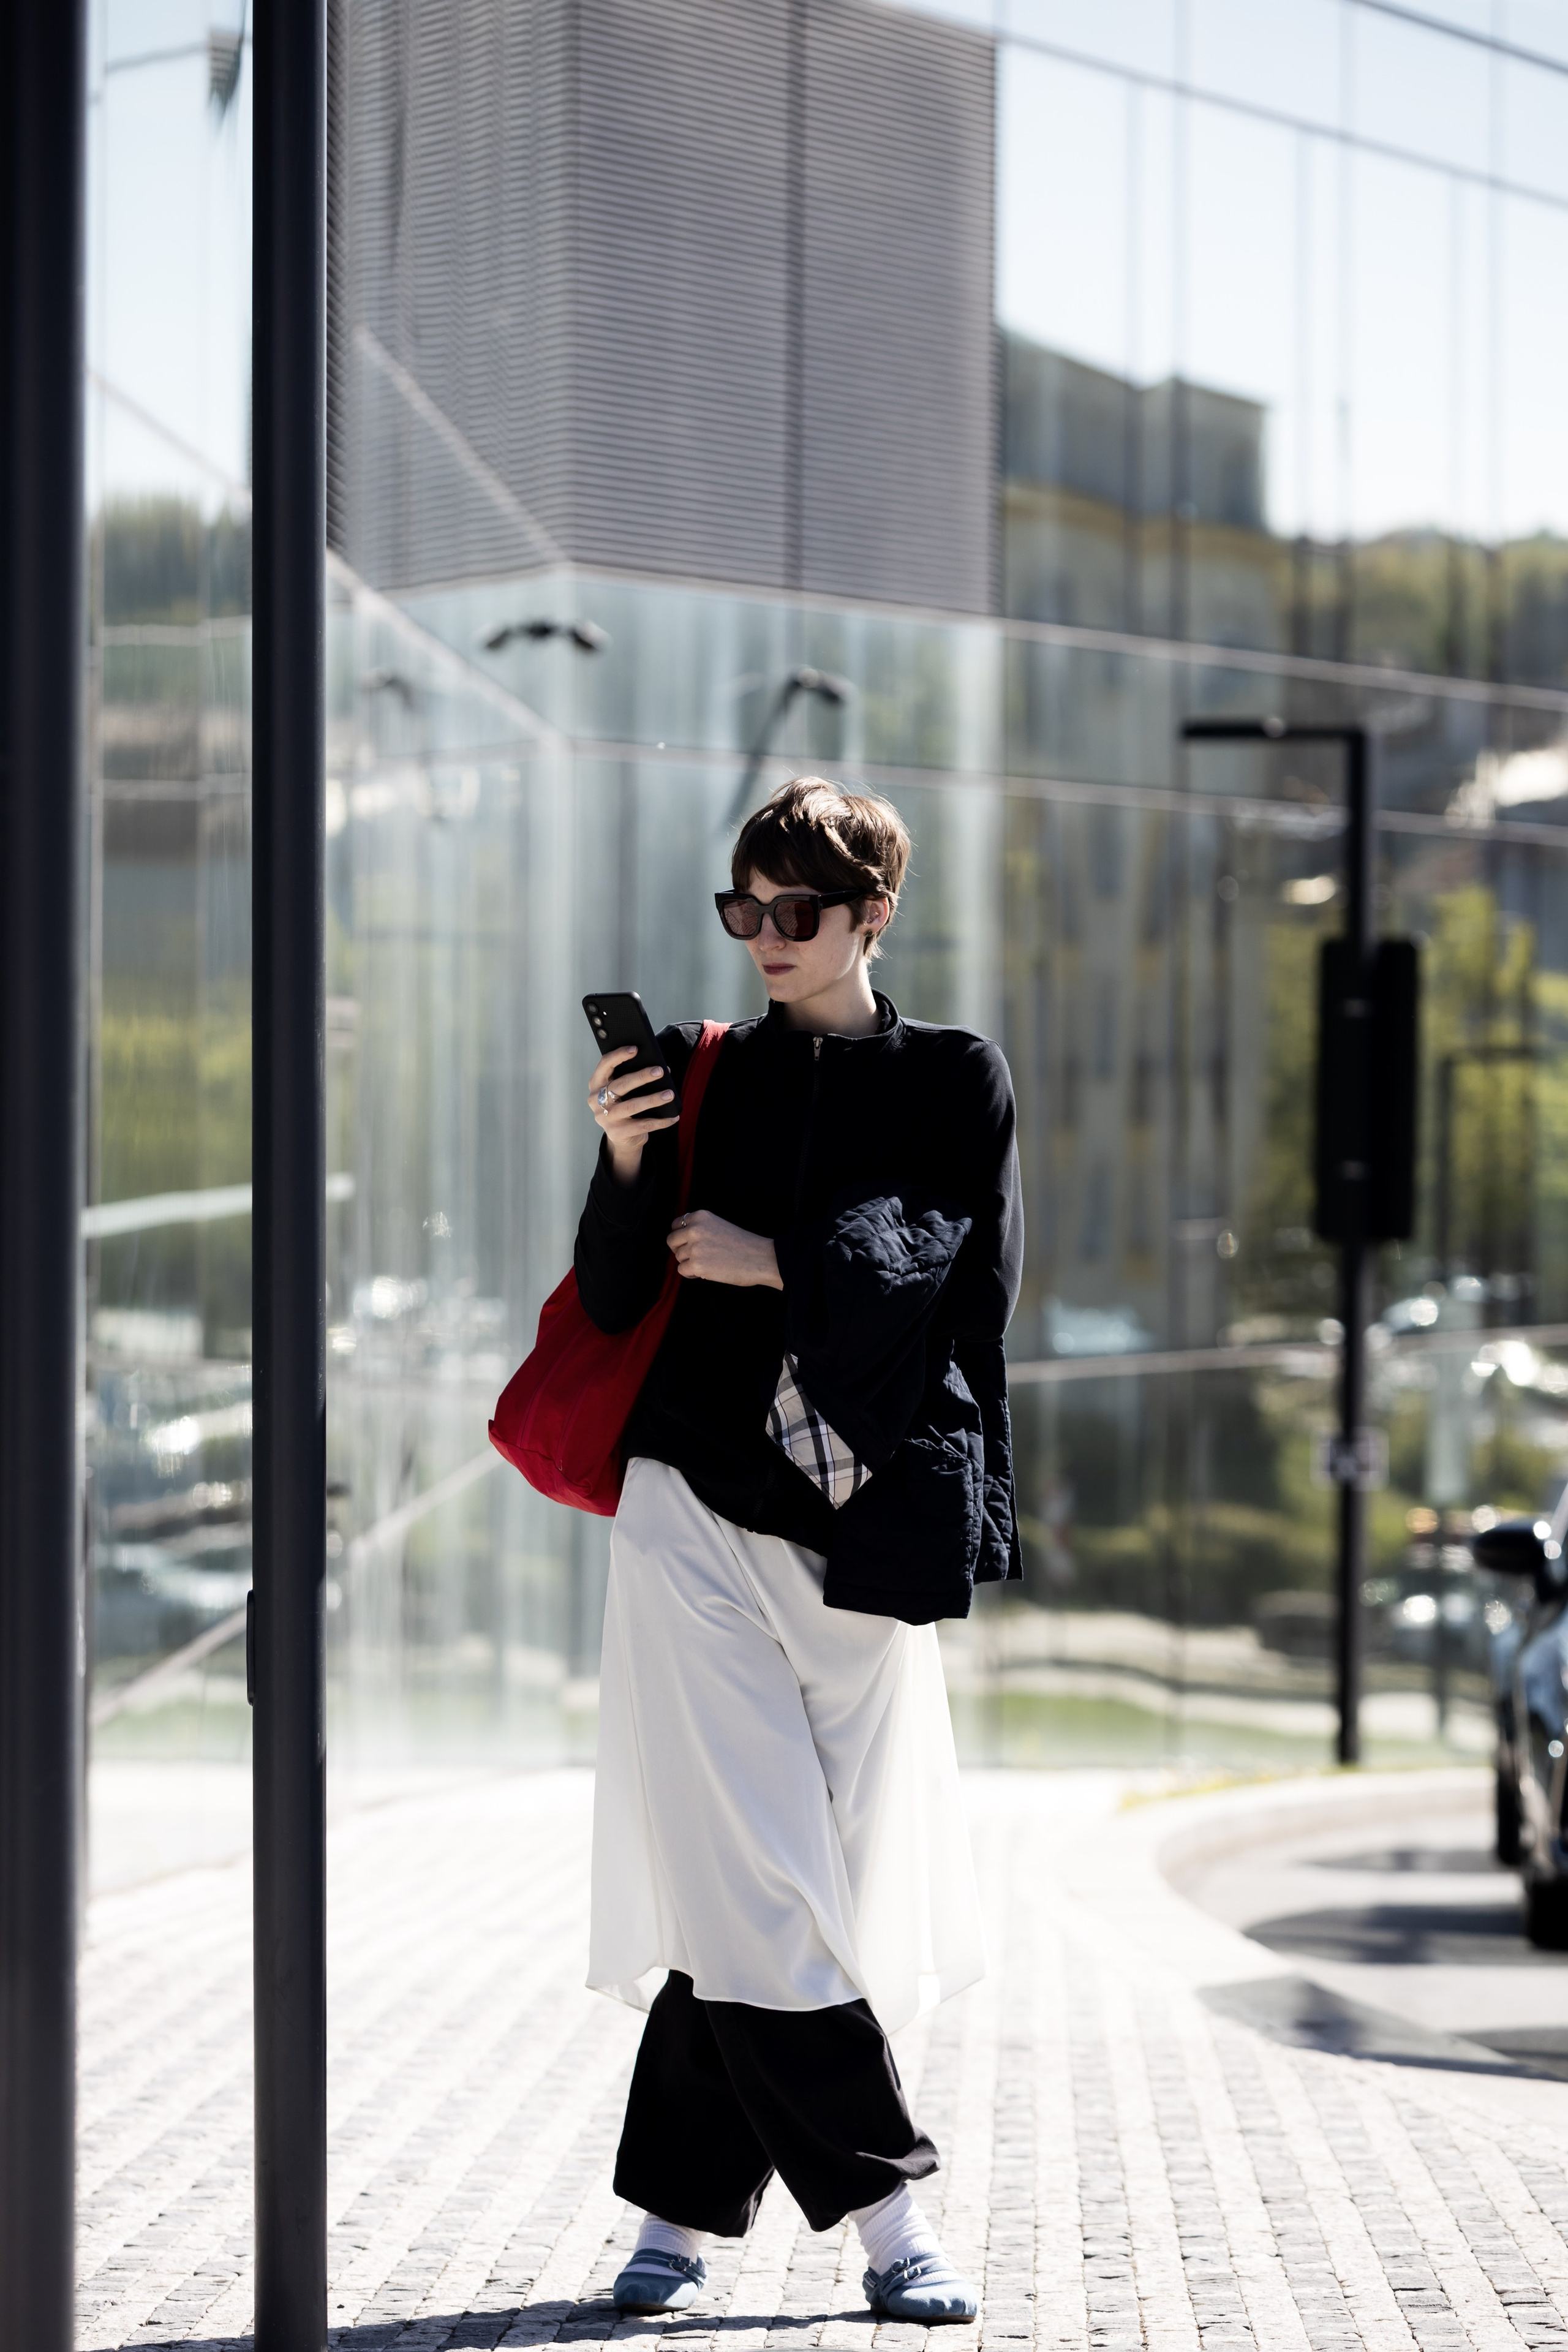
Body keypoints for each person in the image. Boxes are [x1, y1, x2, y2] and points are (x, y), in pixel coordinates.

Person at [574, 777, 1022, 2325]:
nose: (762, 938)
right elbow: (622, 1297)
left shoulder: (955, 1076)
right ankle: (893, 2222)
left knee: (777, 1883)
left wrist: (782, 1267)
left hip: (866, 1532)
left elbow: (967, 1293)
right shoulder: (705, 1074)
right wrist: (632, 1162)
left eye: (795, 913)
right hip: (690, 1506)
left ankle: (673, 2226)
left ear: (872, 916)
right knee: (758, 1870)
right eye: (739, 911)